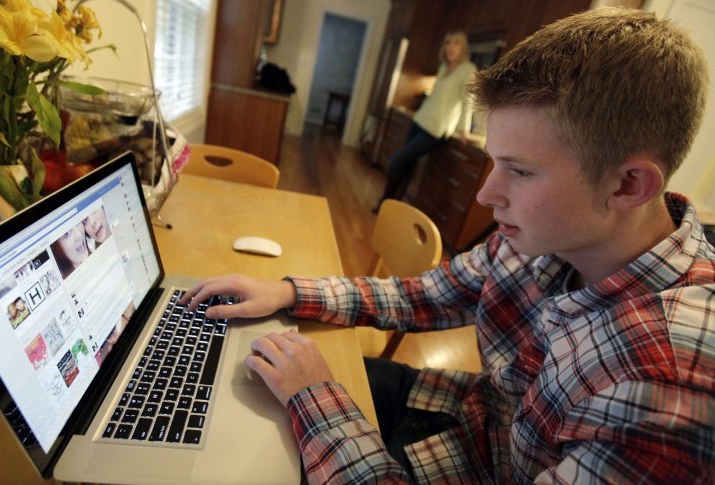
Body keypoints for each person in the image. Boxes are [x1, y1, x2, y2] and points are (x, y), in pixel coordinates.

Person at [181, 7, 714, 483]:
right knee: (229, 395)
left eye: (520, 171)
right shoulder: (546, 236)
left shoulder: (664, 396)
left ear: (628, 185)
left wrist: (315, 397)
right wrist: (288, 291)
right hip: (462, 416)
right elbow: (425, 296)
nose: (487, 194)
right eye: (494, 161)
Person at [373, 29, 476, 213]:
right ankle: (393, 206)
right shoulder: (444, 67)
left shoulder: (467, 70)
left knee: (397, 161)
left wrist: (464, 130)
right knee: (407, 165)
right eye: (448, 43)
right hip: (420, 120)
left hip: (435, 130)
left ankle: (385, 203)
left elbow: (468, 101)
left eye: (456, 43)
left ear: (463, 48)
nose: (451, 47)